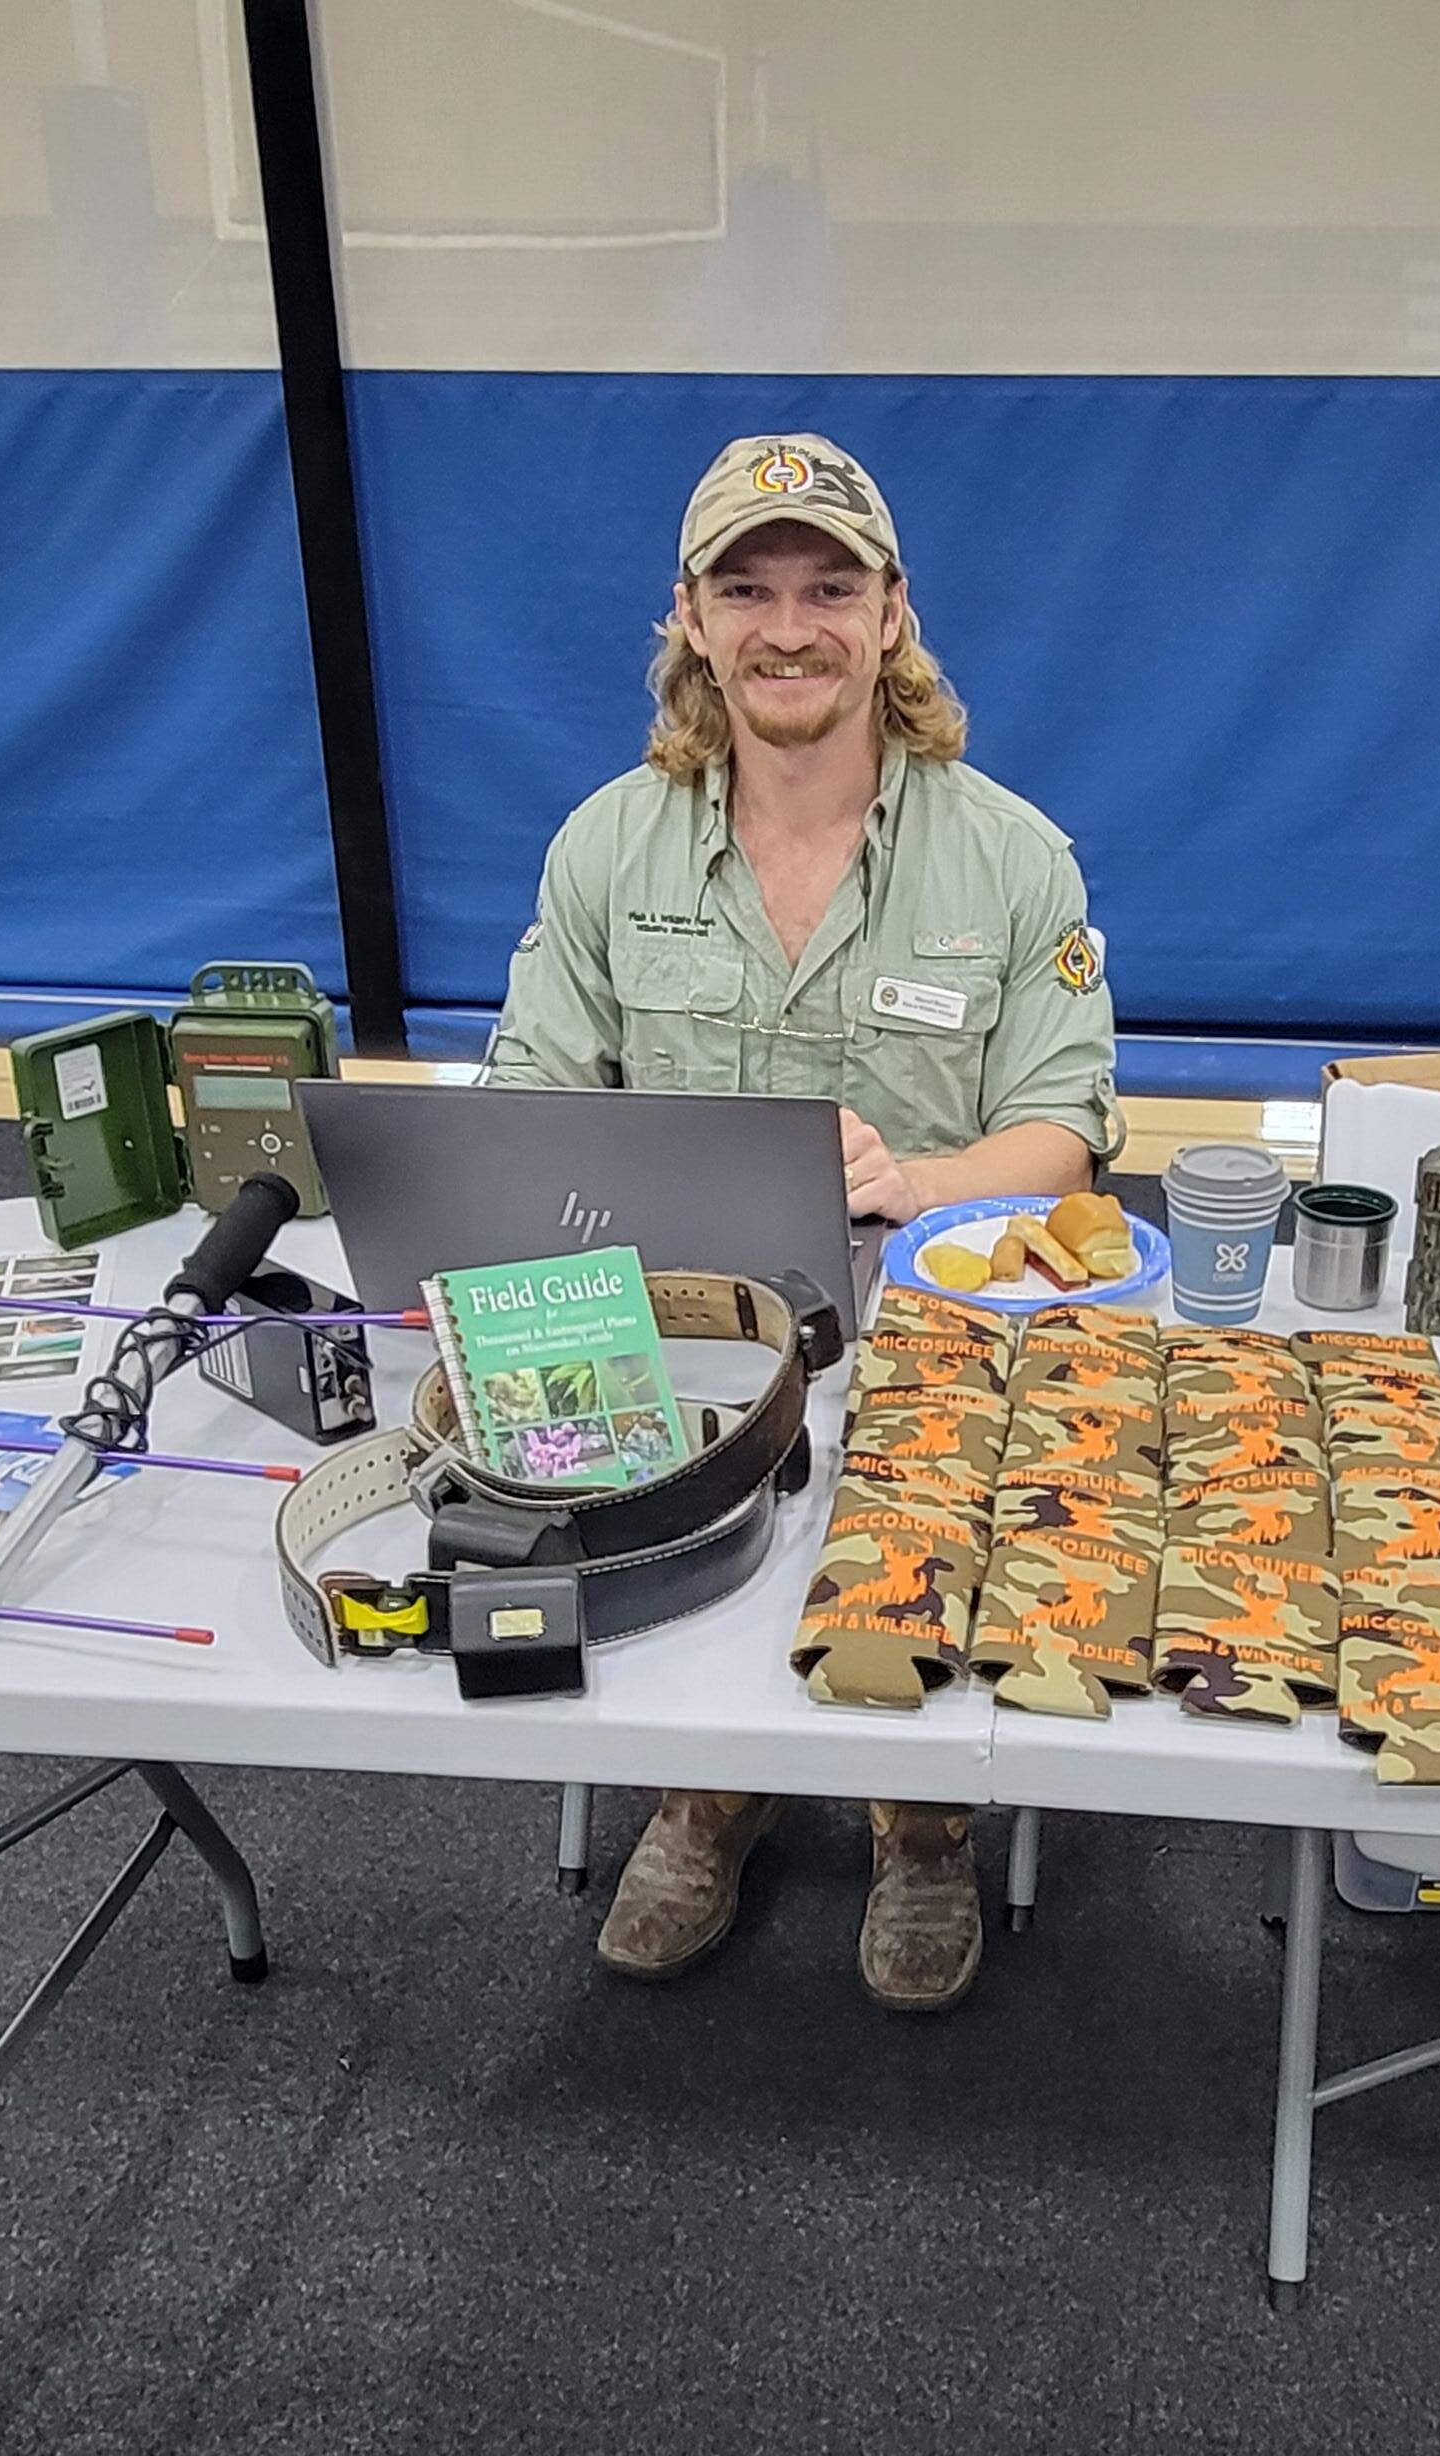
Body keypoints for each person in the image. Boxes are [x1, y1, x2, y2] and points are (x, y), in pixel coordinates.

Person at [485, 431, 1121, 2013]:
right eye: (748, 588)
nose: (789, 625)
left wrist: (912, 1181)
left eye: (829, 587)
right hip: (682, 1329)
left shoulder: (1014, 856)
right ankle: (709, 1794)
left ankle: (919, 1828)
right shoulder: (604, 849)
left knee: (916, 1509)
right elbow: (524, 1109)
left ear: (891, 614)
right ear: (690, 619)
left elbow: (1067, 1138)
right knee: (636, 1476)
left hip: (933, 1331)